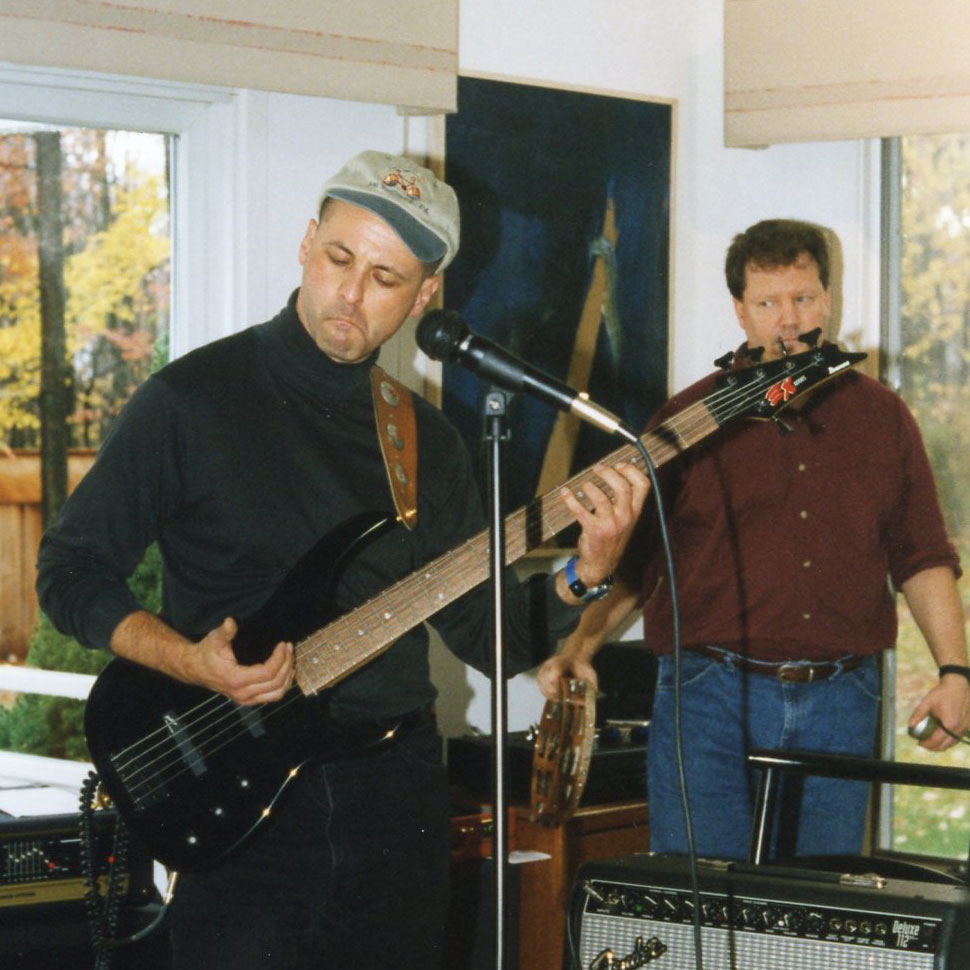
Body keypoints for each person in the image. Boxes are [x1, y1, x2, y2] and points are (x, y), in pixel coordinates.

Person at [36, 150, 650, 970]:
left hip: (393, 798)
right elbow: (68, 572)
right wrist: (186, 660)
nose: (351, 293)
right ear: (305, 243)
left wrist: (587, 571)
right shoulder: (189, 402)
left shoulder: (426, 441)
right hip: (238, 794)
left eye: (385, 277)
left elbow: (490, 638)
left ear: (425, 297)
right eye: (338, 258)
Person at [539, 218, 970, 862]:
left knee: (817, 903)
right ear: (740, 311)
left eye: (803, 298)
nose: (788, 320)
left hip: (843, 699)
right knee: (702, 894)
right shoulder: (684, 423)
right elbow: (633, 559)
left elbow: (923, 556)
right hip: (708, 697)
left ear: (828, 299)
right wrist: (579, 647)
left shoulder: (884, 417)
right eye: (768, 303)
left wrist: (955, 672)